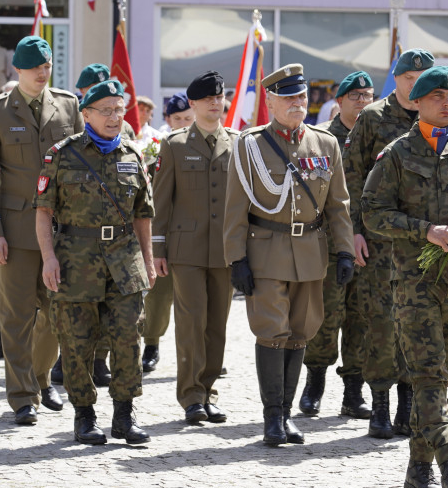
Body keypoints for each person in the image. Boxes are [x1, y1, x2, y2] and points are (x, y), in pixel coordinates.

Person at [361, 65, 448, 488]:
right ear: (418, 103)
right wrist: (422, 230)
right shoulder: (396, 154)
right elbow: (372, 212)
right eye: (438, 96)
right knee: (429, 374)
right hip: (413, 283)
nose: (447, 103)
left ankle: (417, 469)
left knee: (441, 374)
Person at [224, 63, 355, 446]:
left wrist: (344, 250)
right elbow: (234, 208)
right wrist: (236, 259)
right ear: (271, 101)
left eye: (301, 96)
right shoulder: (249, 145)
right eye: (288, 97)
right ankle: (272, 417)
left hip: (310, 252)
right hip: (264, 251)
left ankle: (287, 413)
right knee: (272, 331)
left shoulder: (325, 143)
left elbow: (338, 205)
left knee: (301, 332)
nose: (297, 103)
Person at [36, 78, 156, 445]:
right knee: (77, 342)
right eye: (106, 110)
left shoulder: (133, 156)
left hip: (124, 261)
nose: (115, 117)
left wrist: (148, 261)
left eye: (119, 110)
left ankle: (124, 415)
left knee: (127, 338)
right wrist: (49, 258)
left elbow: (143, 216)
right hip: (76, 258)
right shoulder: (62, 154)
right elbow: (43, 212)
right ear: (86, 114)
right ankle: (84, 415)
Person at [0, 35, 83, 425]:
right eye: (34, 67)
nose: (42, 72)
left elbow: (83, 164)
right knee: (17, 316)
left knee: (57, 316)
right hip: (16, 232)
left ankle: (40, 378)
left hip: (62, 231)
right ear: (17, 70)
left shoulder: (68, 105)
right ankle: (22, 397)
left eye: (47, 65)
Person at [343, 49, 434, 440]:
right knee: (380, 322)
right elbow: (350, 175)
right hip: (379, 240)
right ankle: (379, 403)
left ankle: (407, 405)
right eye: (409, 77)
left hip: (421, 240)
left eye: (423, 77)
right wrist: (354, 230)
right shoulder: (372, 118)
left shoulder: (436, 118)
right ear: (396, 79)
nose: (416, 84)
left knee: (415, 323)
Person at [152, 71, 238, 424]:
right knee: (190, 322)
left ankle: (208, 391)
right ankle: (190, 395)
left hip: (224, 249)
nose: (214, 103)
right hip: (185, 248)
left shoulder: (237, 142)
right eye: (207, 99)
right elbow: (161, 201)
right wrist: (158, 248)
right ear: (193, 104)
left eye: (219, 97)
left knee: (217, 324)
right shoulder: (174, 145)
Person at [298, 71, 374, 420]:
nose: (362, 101)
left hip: (372, 244)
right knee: (326, 316)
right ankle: (314, 381)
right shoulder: (321, 138)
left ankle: (353, 391)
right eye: (355, 95)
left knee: (361, 318)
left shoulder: (379, 136)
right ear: (339, 101)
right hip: (330, 243)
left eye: (367, 95)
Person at [141, 92, 192, 373]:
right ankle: (151, 344)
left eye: (187, 118)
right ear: (167, 119)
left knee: (195, 296)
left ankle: (202, 351)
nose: (183, 123)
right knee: (158, 294)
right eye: (177, 119)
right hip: (162, 231)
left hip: (193, 233)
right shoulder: (155, 148)